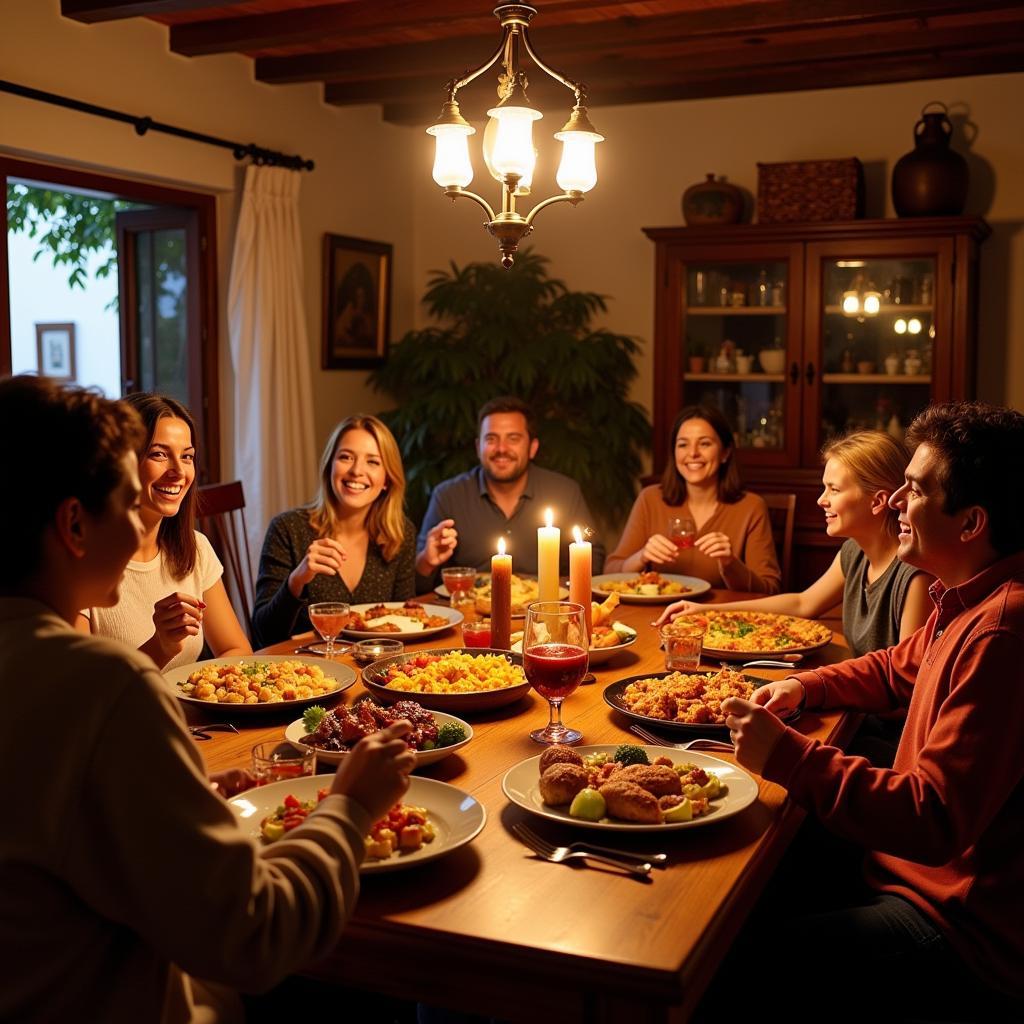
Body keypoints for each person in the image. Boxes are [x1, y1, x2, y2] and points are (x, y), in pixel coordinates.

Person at [0, 375, 416, 1022]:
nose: (146, 505)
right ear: (75, 524)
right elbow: (256, 934)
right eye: (126, 493)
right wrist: (352, 804)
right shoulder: (103, 687)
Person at [717, 401, 1024, 1019]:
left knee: (733, 954)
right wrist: (804, 688)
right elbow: (893, 665)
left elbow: (931, 818)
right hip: (907, 872)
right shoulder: (964, 595)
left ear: (971, 523)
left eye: (913, 491)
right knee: (748, 873)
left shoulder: (1001, 632)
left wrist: (789, 754)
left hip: (959, 923)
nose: (893, 504)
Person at [656, 430, 933, 656]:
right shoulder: (854, 552)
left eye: (834, 489)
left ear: (878, 501)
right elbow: (803, 603)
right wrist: (705, 611)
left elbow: (906, 685)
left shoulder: (914, 575)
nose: (821, 500)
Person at [78, 393, 251, 670]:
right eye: (159, 454)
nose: (178, 471)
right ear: (122, 461)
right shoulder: (80, 563)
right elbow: (83, 694)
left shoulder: (195, 547)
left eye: (187, 456)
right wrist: (160, 646)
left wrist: (204, 689)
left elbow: (237, 649)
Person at [253, 413, 416, 647]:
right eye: (346, 457)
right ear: (330, 467)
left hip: (373, 669)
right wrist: (297, 580)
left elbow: (406, 626)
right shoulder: (287, 528)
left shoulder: (400, 533)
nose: (356, 471)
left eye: (373, 461)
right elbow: (263, 635)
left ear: (387, 480)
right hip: (302, 673)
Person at [416, 396, 605, 582]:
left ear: (532, 447)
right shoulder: (448, 496)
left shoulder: (565, 491)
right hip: (472, 607)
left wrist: (567, 585)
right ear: (478, 447)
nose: (501, 449)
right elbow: (417, 578)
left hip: (546, 606)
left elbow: (591, 542)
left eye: (513, 439)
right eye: (491, 439)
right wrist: (427, 561)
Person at [605, 404, 780, 592]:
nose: (693, 453)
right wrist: (642, 556)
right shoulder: (650, 498)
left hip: (719, 617)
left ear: (725, 453)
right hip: (657, 616)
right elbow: (610, 572)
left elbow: (770, 588)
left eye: (704, 443)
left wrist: (731, 563)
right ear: (674, 453)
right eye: (683, 444)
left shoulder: (751, 507)